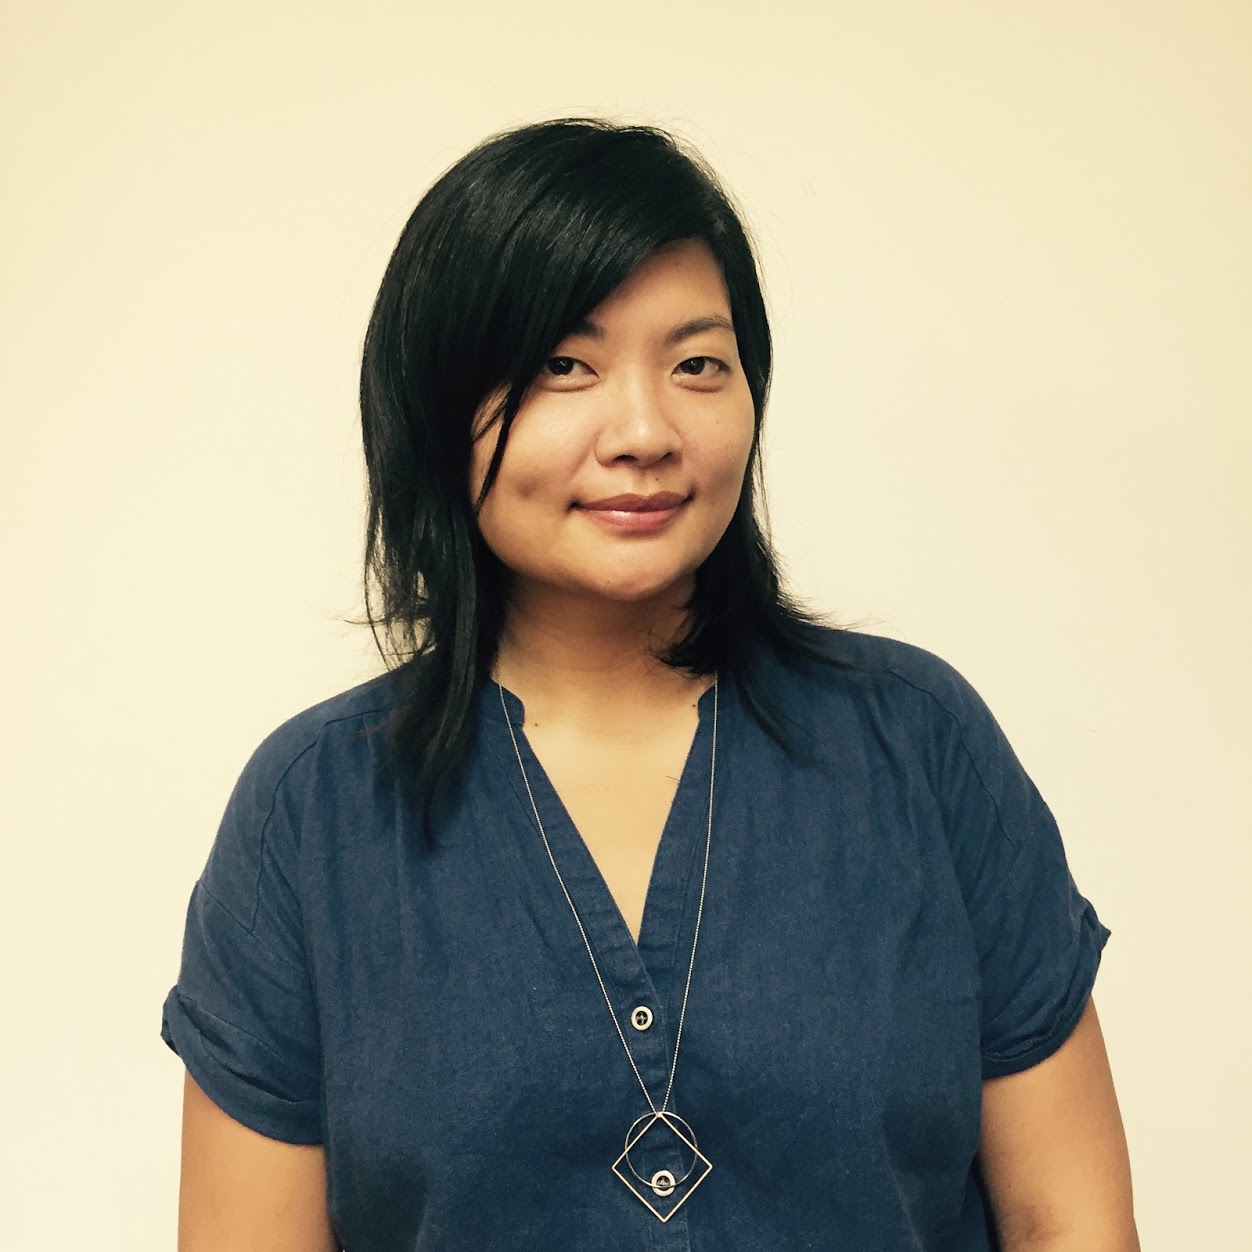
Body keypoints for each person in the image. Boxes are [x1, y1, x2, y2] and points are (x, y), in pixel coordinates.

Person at [162, 118, 1139, 1251]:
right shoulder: (312, 812)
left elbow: (1068, 1219)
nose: (644, 431)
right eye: (562, 366)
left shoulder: (918, 744)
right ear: (436, 405)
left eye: (697, 365)